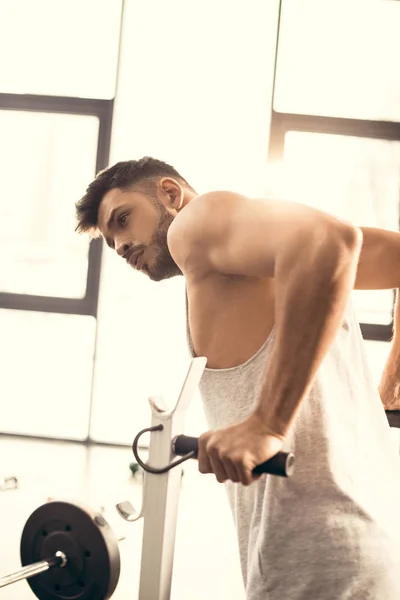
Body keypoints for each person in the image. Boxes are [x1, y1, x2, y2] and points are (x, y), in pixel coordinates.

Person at [75, 157, 400, 599]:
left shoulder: (195, 225)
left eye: (123, 219)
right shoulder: (259, 254)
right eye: (111, 241)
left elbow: (331, 241)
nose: (120, 246)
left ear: (170, 195)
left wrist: (268, 423)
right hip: (369, 549)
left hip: (317, 563)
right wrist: (392, 383)